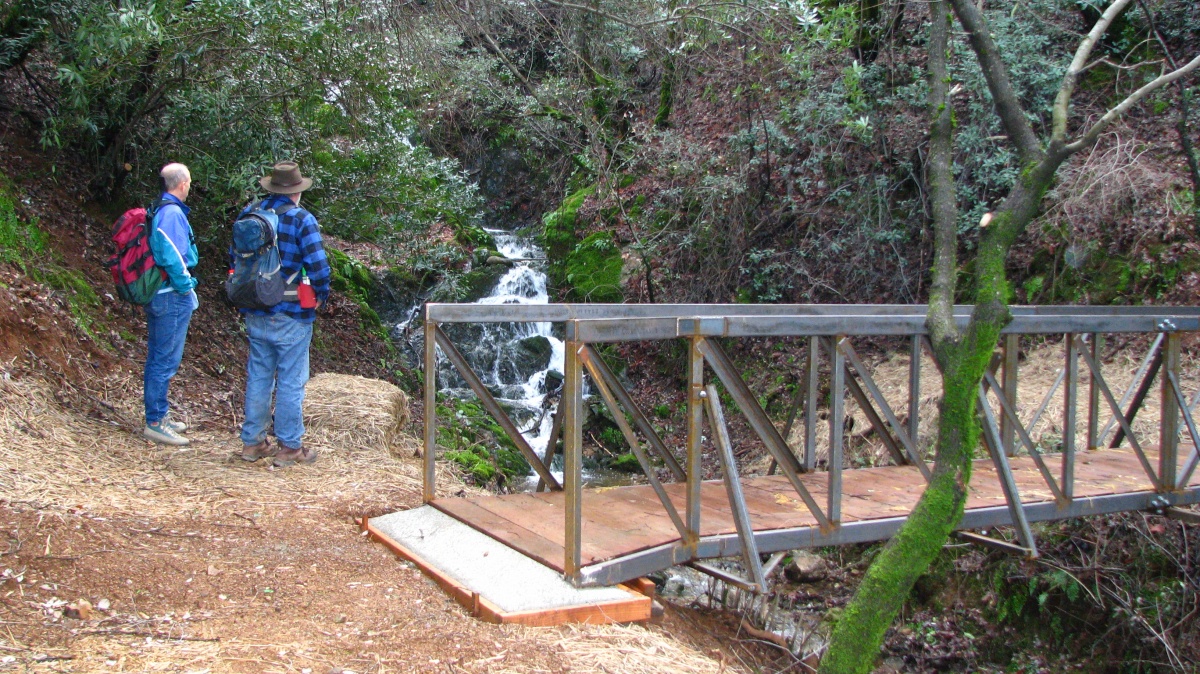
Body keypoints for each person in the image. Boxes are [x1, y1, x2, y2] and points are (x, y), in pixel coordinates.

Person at [237, 161, 330, 467]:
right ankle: (289, 447)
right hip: (292, 311)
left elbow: (235, 260)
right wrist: (321, 295)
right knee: (291, 380)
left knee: (260, 375)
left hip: (255, 308)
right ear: (296, 192)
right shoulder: (302, 220)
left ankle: (253, 443)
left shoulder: (249, 216)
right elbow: (318, 265)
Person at [143, 162, 199, 446]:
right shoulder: (173, 213)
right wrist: (186, 286)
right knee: (164, 359)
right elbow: (172, 254)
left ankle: (159, 414)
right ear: (183, 183)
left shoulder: (159, 208)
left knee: (159, 356)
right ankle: (155, 422)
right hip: (170, 296)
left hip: (160, 293)